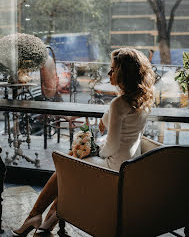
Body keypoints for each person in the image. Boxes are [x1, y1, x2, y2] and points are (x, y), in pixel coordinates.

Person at [12, 48, 155, 236]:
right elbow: (122, 130)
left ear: (123, 73)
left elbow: (111, 146)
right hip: (130, 162)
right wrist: (102, 131)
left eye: (112, 69)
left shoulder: (119, 104)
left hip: (113, 165)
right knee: (70, 163)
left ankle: (35, 215)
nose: (108, 73)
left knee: (64, 168)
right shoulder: (142, 99)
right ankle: (48, 221)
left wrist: (95, 150)